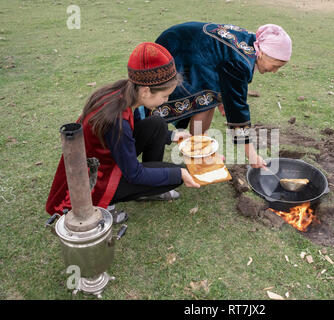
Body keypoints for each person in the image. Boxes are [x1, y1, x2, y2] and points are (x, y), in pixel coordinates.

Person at [46, 42, 200, 224]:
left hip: (109, 159)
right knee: (175, 174)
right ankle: (104, 204)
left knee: (158, 124)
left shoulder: (124, 92)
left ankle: (148, 191)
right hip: (94, 178)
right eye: (164, 96)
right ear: (145, 91)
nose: (165, 101)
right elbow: (133, 173)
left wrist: (171, 136)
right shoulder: (116, 120)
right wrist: (180, 174)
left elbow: (134, 132)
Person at [134, 22, 292, 169]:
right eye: (275, 65)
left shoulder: (253, 42)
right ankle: (181, 157)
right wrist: (251, 155)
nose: (275, 71)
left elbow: (222, 66)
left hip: (195, 51)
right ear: (263, 53)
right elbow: (238, 111)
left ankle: (199, 151)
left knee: (209, 99)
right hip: (179, 50)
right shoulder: (240, 61)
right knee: (167, 102)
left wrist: (223, 98)